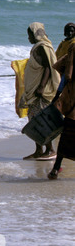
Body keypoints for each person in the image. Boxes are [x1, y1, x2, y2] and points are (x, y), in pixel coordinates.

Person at [18, 22, 61, 160]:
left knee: (41, 121)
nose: (28, 38)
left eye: (30, 35)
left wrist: (41, 87)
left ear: (36, 34)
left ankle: (50, 150)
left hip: (40, 93)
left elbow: (48, 67)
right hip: (33, 91)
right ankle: (38, 150)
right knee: (34, 121)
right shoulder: (37, 47)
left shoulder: (43, 47)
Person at [48, 43, 75, 179]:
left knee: (66, 136)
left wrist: (57, 96)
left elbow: (67, 75)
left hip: (73, 101)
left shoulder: (73, 47)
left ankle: (56, 168)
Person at [52, 22, 75, 102]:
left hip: (68, 68)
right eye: (68, 31)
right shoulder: (63, 43)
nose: (70, 33)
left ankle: (56, 97)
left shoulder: (73, 43)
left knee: (61, 87)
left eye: (72, 31)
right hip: (60, 67)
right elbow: (56, 55)